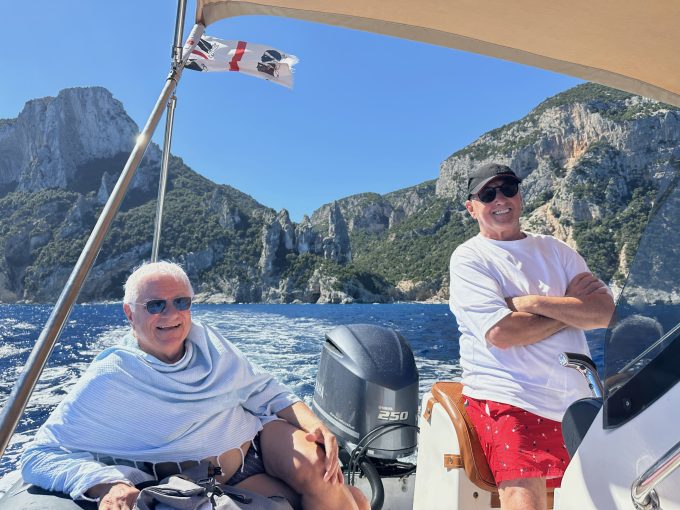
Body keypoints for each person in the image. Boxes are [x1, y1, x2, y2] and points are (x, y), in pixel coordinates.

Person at [20, 261, 368, 510]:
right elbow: (38, 455)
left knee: (323, 470)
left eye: (181, 302)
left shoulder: (210, 344)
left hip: (256, 443)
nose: (171, 314)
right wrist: (109, 484)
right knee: (354, 500)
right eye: (155, 305)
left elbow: (268, 391)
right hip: (208, 479)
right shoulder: (111, 376)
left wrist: (318, 426)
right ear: (129, 314)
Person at [448, 163, 615, 510]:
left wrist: (532, 303)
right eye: (488, 194)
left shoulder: (557, 250)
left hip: (575, 402)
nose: (500, 199)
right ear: (472, 207)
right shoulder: (470, 258)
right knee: (525, 503)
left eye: (508, 188)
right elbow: (503, 332)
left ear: (520, 196)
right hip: (508, 399)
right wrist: (570, 309)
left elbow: (603, 313)